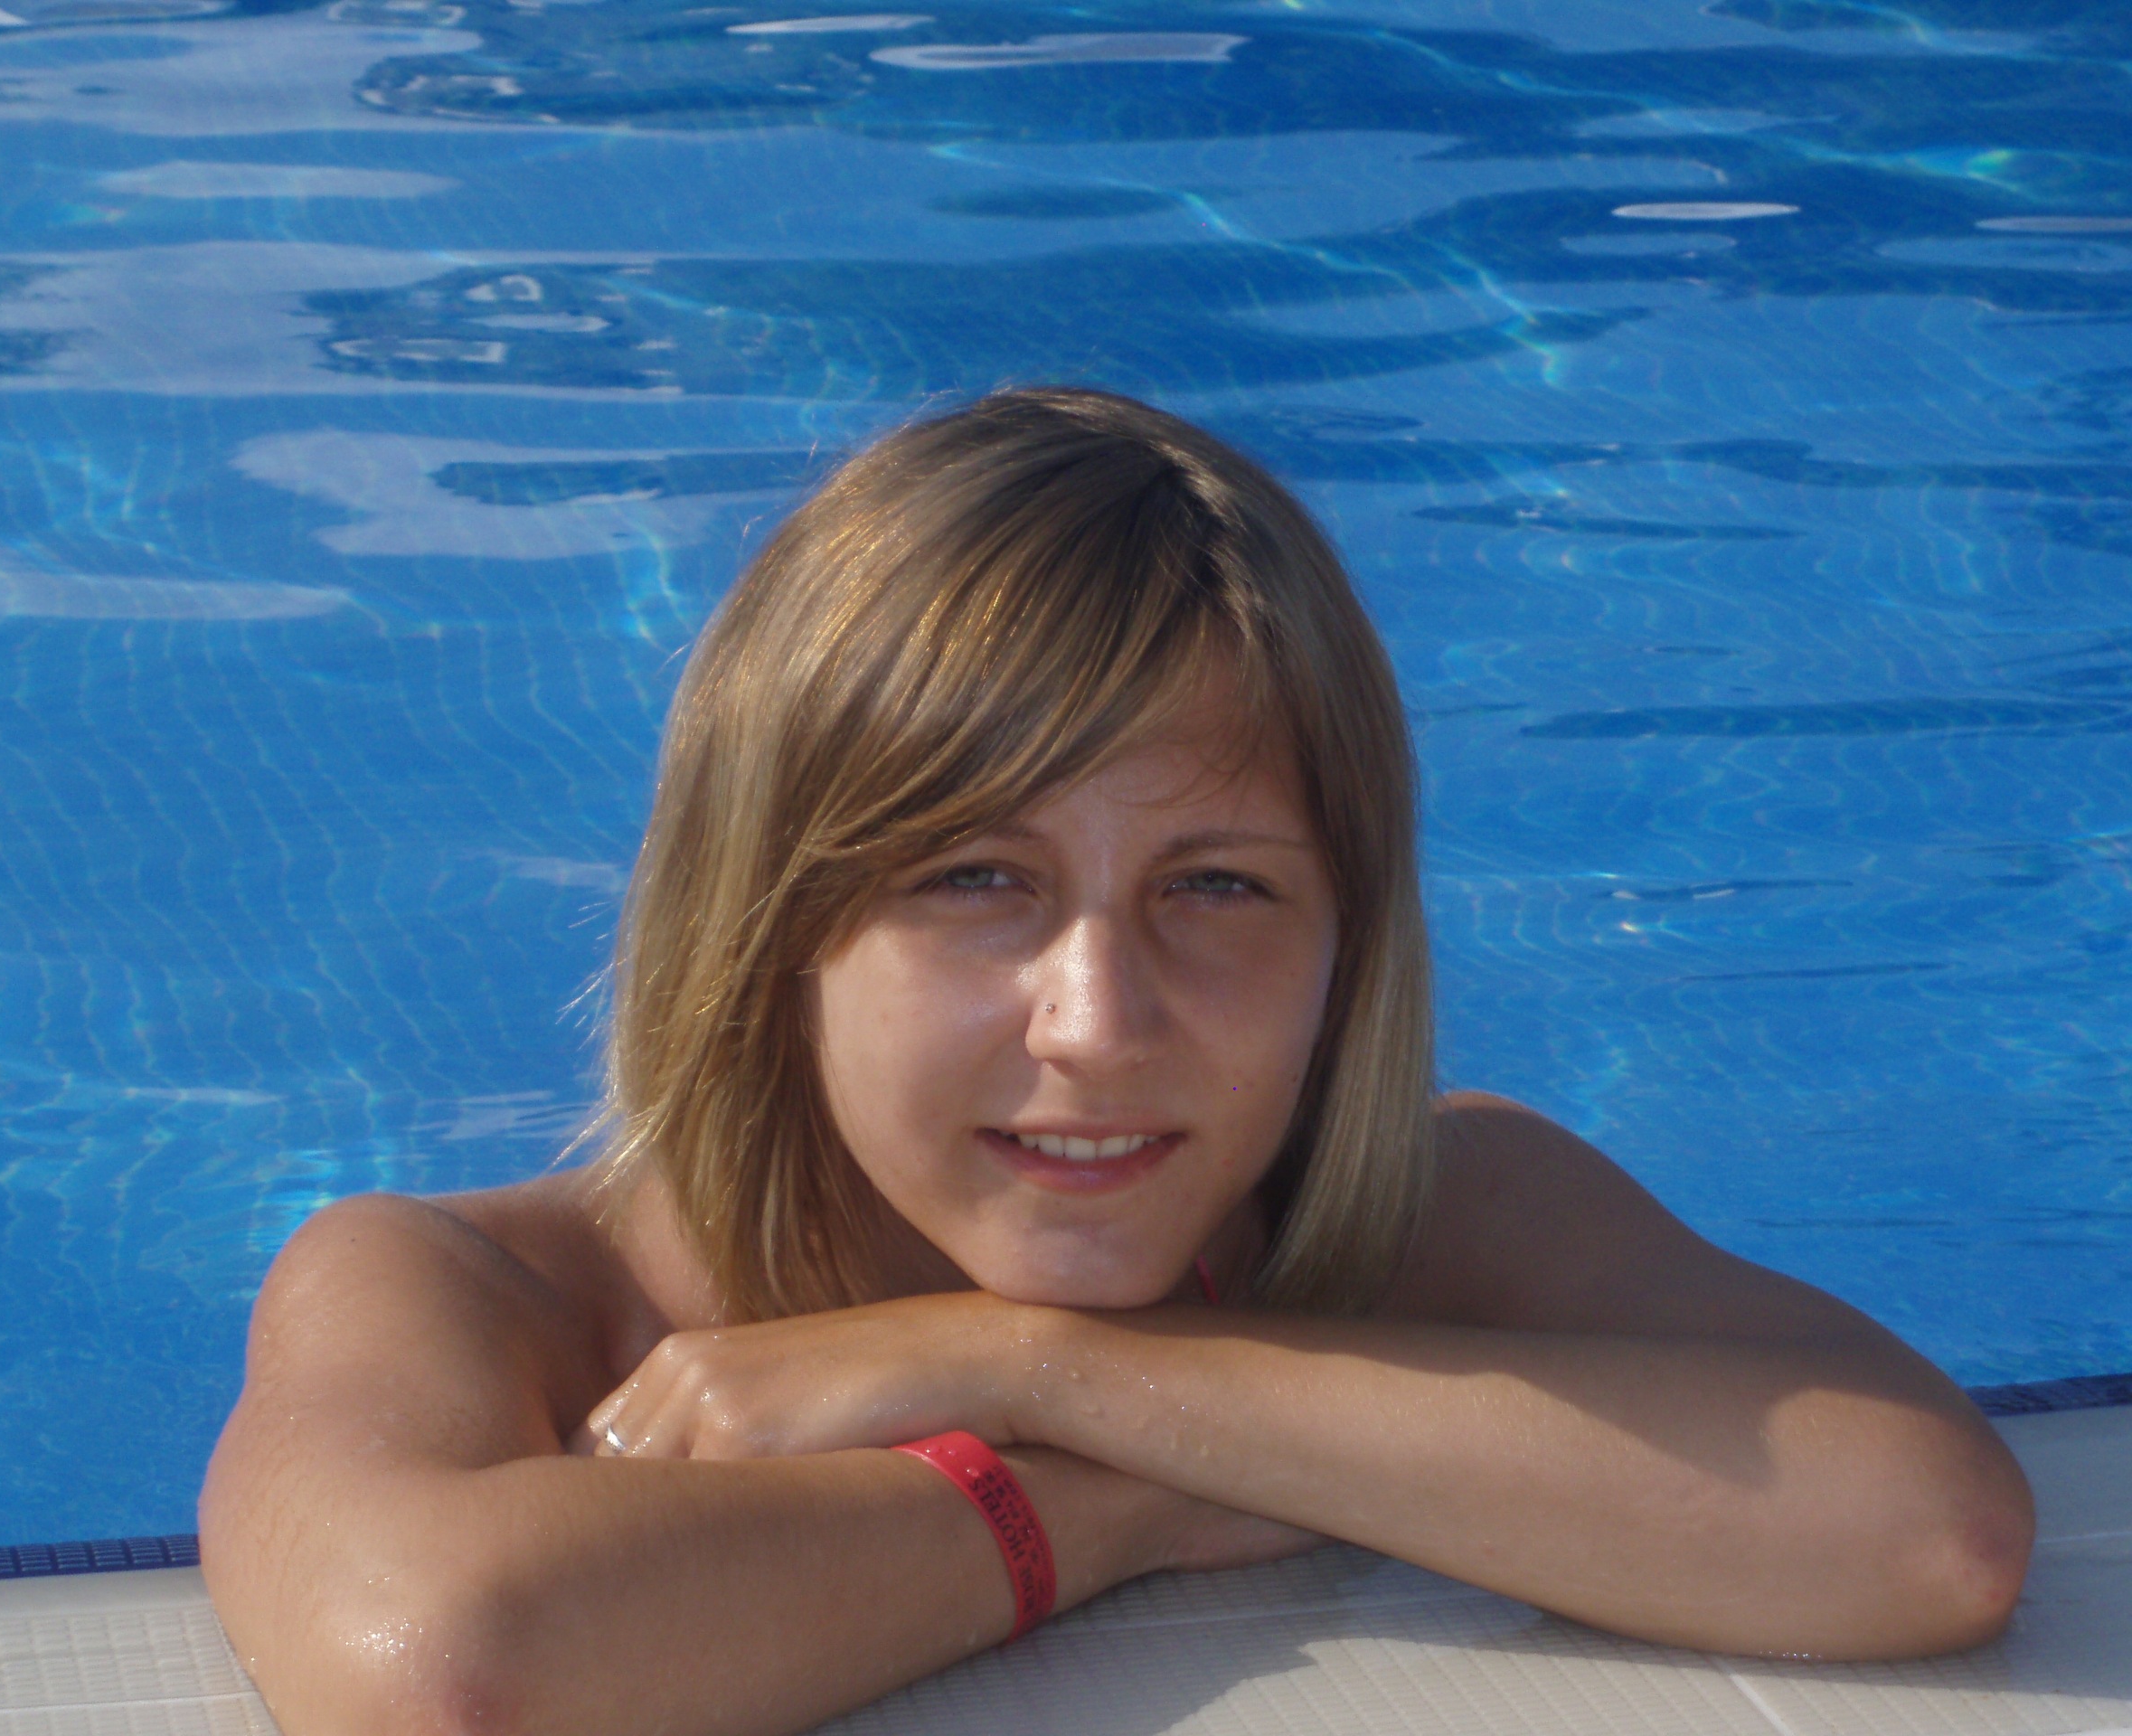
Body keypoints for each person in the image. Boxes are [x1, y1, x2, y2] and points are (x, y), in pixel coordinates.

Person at [200, 388, 2033, 1736]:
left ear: (1347, 938)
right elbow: (441, 1671)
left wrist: (1030, 1367)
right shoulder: (474, 1293)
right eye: (974, 881)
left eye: (1216, 886)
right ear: (770, 928)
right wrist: (1126, 1499)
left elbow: (1923, 1534)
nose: (1097, 1021)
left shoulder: (1431, 1210)